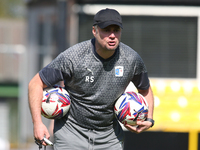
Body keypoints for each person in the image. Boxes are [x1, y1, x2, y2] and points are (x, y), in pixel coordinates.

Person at [28, 8, 154, 150]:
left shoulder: (131, 59)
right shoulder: (73, 57)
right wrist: (38, 124)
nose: (112, 35)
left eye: (116, 30)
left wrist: (149, 119)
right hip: (71, 133)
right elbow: (35, 84)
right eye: (106, 30)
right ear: (94, 31)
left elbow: (145, 89)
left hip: (109, 136)